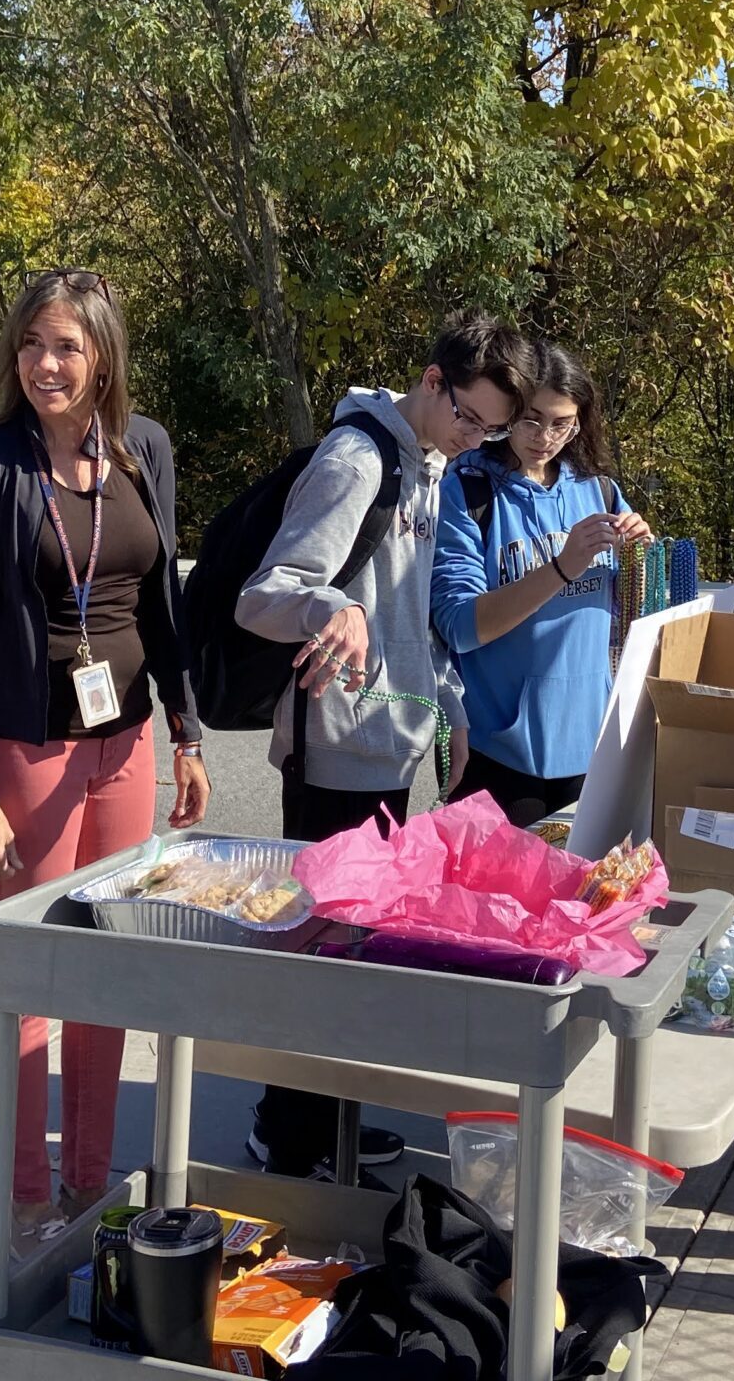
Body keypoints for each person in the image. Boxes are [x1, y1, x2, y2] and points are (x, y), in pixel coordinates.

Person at [0, 269, 211, 1244]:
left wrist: (184, 730)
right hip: (30, 751)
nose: (45, 365)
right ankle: (19, 1196)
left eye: (66, 348)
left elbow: (162, 602)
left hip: (126, 742)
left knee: (107, 972)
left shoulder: (146, 451)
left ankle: (89, 1184)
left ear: (103, 358)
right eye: (31, 346)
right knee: (34, 977)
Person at [235, 309, 531, 1177]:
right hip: (334, 749)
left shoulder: (431, 463)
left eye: (494, 430)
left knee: (356, 949)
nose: (476, 440)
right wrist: (331, 606)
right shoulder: (357, 458)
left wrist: (450, 706)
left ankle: (325, 1119)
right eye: (469, 417)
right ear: (433, 380)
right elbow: (267, 594)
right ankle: (287, 1133)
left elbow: (416, 617)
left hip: (392, 739)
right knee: (319, 951)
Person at [431, 343, 651, 825]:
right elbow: (460, 626)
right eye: (531, 419)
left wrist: (641, 555)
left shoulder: (599, 489)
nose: (545, 437)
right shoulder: (466, 490)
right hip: (500, 752)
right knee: (498, 900)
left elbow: (631, 613)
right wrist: (560, 567)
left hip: (595, 750)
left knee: (592, 896)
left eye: (563, 423)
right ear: (507, 413)